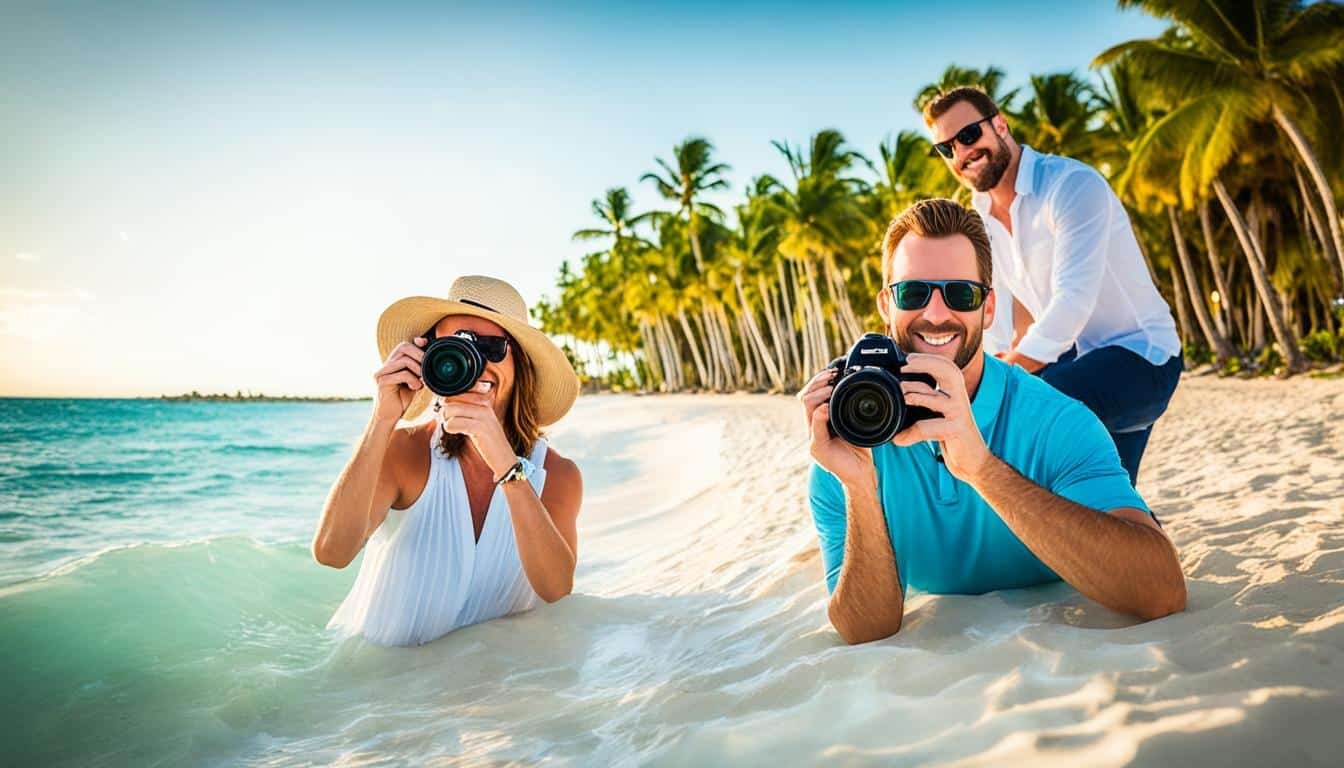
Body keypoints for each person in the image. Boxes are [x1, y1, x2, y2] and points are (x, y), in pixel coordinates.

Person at [799, 199, 1185, 645]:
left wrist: (981, 469)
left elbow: (1163, 593)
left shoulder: (1056, 421)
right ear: (887, 304)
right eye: (913, 293)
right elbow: (866, 631)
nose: (938, 313)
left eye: (960, 293)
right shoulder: (851, 441)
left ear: (988, 308)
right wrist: (860, 488)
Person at [922, 86, 1183, 485]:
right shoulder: (983, 216)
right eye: (946, 149)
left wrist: (1005, 378)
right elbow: (1016, 318)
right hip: (1077, 363)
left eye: (969, 136)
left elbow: (1072, 302)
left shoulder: (1071, 186)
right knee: (1105, 499)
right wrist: (981, 370)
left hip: (1143, 358)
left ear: (1000, 125)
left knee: (1032, 408)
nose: (961, 154)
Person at [313, 275, 583, 647]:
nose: (476, 361)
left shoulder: (559, 475)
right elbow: (331, 552)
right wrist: (382, 419)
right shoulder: (404, 451)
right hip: (374, 692)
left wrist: (506, 465)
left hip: (485, 693)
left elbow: (556, 589)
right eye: (457, 345)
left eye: (492, 346)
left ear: (519, 364)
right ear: (430, 357)